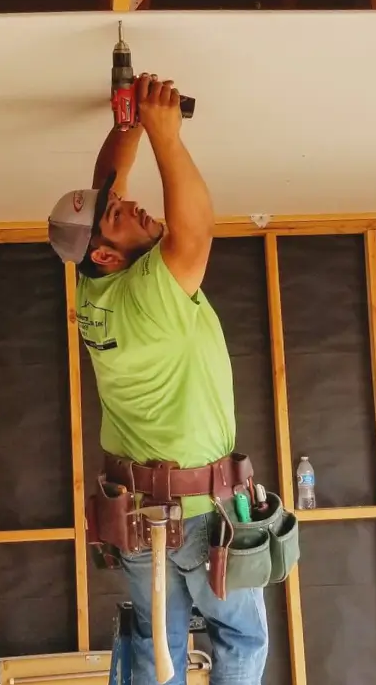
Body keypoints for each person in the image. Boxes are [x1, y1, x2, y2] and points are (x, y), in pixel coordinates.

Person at [46, 74, 268, 685]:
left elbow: (105, 184)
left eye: (118, 205)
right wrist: (166, 137)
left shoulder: (95, 285)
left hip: (142, 519)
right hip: (197, 514)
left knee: (157, 642)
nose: (134, 206)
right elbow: (196, 231)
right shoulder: (149, 295)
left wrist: (129, 124)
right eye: (120, 216)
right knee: (239, 636)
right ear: (106, 254)